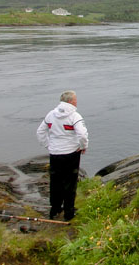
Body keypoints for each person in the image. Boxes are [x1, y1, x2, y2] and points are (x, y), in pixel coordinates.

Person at [36, 90, 88, 221]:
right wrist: (83, 146)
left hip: (55, 154)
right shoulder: (74, 116)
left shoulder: (51, 115)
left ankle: (55, 210)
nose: (77, 101)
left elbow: (40, 132)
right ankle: (69, 213)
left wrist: (49, 145)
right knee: (70, 184)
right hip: (71, 154)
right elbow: (82, 134)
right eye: (75, 99)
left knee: (55, 182)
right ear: (70, 101)